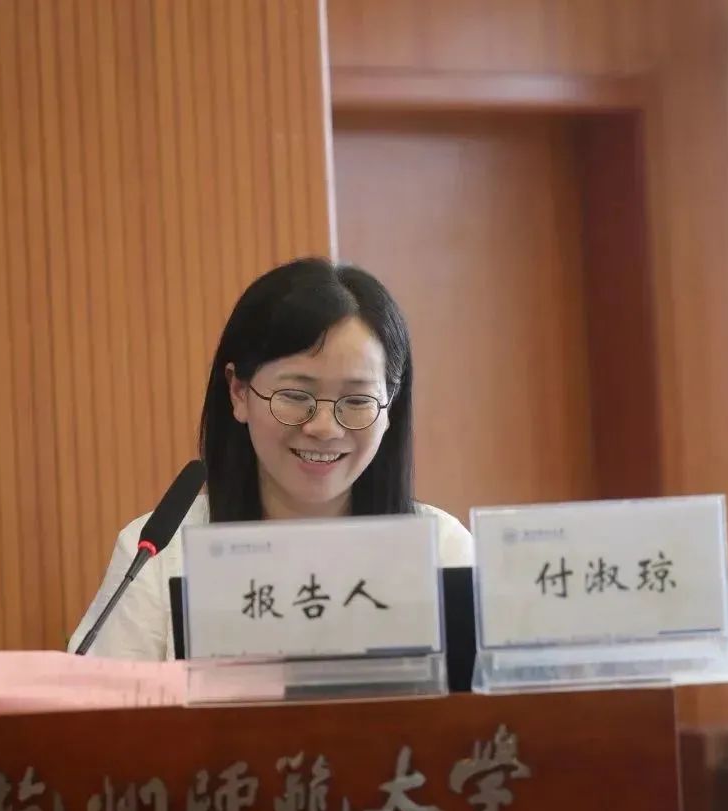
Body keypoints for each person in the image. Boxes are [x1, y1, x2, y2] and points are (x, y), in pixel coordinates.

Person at [67, 257, 473, 659]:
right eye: (295, 396)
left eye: (356, 400)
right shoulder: (159, 553)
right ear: (239, 393)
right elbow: (95, 697)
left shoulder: (442, 550)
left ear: (391, 407)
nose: (325, 428)